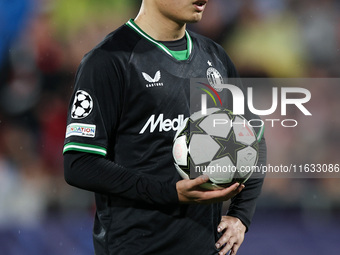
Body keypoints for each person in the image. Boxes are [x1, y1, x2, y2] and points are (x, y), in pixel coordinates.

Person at [63, 1, 266, 254]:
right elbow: (79, 164)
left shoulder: (215, 57)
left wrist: (241, 216)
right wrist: (169, 192)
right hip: (136, 248)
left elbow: (253, 137)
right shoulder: (108, 60)